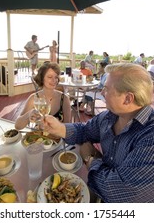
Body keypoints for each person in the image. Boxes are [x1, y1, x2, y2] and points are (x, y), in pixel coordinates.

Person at [43, 63, 154, 203]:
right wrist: (59, 128)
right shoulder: (109, 116)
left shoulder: (150, 136)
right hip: (97, 189)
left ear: (128, 98)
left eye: (106, 89)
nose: (101, 92)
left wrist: (90, 159)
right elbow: (85, 130)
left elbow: (117, 191)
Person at [15, 62, 71, 130]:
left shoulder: (64, 99)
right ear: (42, 78)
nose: (54, 80)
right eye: (50, 77)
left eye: (56, 77)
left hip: (57, 140)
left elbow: (68, 129)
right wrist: (28, 115)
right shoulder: (34, 98)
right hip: (37, 139)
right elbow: (17, 126)